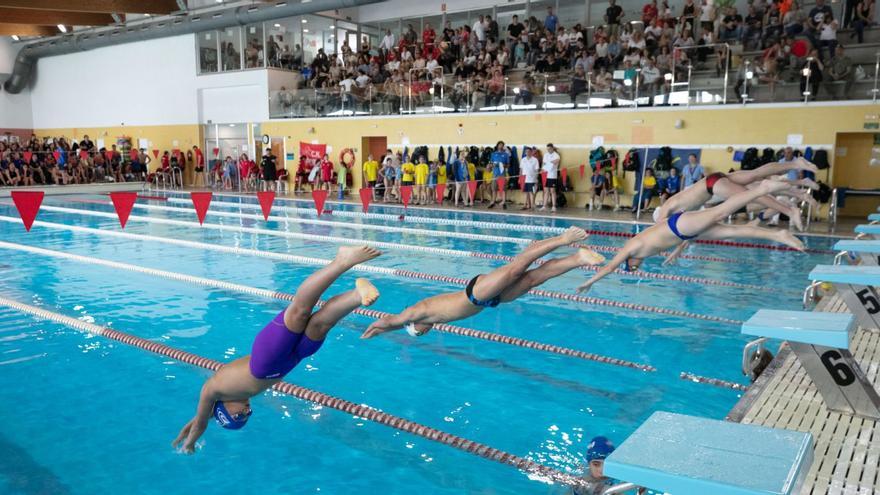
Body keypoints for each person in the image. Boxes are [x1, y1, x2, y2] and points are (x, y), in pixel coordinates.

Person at [172, 246, 381, 453]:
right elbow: (200, 420)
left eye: (239, 415)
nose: (247, 411)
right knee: (321, 324)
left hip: (265, 360)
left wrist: (189, 445)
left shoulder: (212, 391)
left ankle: (342, 260)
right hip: (288, 362)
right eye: (247, 416)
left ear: (222, 410)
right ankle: (357, 295)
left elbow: (201, 423)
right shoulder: (227, 398)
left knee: (300, 311)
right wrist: (185, 434)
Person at [361, 227, 605, 339]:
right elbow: (395, 324)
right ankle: (577, 258)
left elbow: (392, 321)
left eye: (418, 333)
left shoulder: (418, 312)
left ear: (415, 325)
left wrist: (373, 329)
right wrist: (383, 330)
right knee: (533, 279)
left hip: (476, 294)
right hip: (488, 300)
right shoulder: (431, 318)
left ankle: (563, 238)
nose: (424, 333)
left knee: (516, 268)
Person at [576, 180, 805, 293]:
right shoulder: (644, 251)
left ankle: (763, 188)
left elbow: (609, 267)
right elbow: (669, 238)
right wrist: (678, 250)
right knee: (733, 232)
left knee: (722, 212)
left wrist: (588, 283)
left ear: (629, 261)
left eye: (632, 268)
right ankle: (779, 234)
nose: (636, 268)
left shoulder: (631, 247)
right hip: (684, 231)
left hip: (680, 225)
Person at [653, 158, 816, 228]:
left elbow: (659, 226)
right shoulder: (680, 212)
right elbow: (685, 232)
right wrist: (679, 248)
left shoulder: (667, 207)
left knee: (756, 194)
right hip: (713, 180)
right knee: (756, 174)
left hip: (712, 186)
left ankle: (790, 211)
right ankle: (796, 163)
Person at [488, 141, 510, 209]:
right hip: (495, 174)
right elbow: (490, 163)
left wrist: (503, 165)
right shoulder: (493, 154)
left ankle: (504, 201)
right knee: (494, 188)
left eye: (502, 145)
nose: (501, 146)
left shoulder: (506, 154)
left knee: (503, 189)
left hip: (502, 174)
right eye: (499, 145)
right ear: (497, 146)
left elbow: (508, 165)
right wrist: (492, 165)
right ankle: (493, 201)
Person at [540, 143, 560, 212]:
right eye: (547, 149)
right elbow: (544, 164)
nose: (548, 150)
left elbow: (555, 162)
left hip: (552, 176)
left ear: (552, 148)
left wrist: (548, 163)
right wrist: (542, 169)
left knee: (552, 191)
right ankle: (544, 206)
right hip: (545, 175)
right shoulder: (545, 155)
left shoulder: (556, 155)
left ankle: (554, 206)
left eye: (550, 149)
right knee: (546, 191)